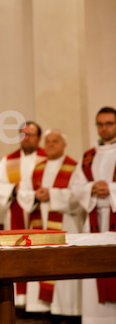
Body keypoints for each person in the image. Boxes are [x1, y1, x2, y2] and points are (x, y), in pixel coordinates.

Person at [17, 129, 84, 319]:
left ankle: (67, 310)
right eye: (48, 141)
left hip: (66, 224)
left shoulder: (74, 167)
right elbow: (24, 193)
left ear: (64, 145)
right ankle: (45, 308)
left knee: (63, 265)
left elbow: (78, 195)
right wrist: (35, 196)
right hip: (41, 221)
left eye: (55, 141)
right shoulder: (37, 168)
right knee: (43, 262)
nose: (51, 144)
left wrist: (52, 194)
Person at [0, 120, 47, 305]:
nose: (26, 139)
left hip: (41, 214)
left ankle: (39, 303)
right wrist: (14, 192)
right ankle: (21, 301)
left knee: (39, 256)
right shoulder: (9, 161)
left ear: (39, 138)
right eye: (23, 135)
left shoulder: (47, 158)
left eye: (30, 135)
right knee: (17, 254)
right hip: (16, 213)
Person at [71, 106, 116, 324]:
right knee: (92, 274)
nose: (104, 128)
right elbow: (76, 185)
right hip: (95, 223)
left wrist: (111, 189)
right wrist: (90, 189)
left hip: (113, 218)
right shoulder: (88, 156)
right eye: (100, 124)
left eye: (109, 123)